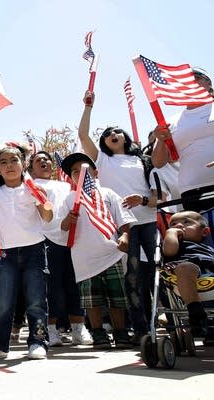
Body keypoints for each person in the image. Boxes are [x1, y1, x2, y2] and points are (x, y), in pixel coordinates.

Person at [79, 91, 158, 344]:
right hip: (125, 226)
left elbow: (158, 193)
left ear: (125, 136)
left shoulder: (143, 160)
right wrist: (88, 107)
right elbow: (82, 135)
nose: (113, 135)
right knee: (132, 277)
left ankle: (164, 322)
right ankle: (140, 329)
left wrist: (143, 200)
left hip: (150, 222)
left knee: (156, 274)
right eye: (107, 134)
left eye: (117, 131)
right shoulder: (102, 159)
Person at [0, 145, 52, 360]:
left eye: (14, 160)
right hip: (3, 253)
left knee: (36, 300)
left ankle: (38, 341)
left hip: (34, 250)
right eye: (3, 162)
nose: (10, 165)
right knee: (3, 301)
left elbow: (47, 217)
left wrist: (40, 198)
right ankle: (0, 344)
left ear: (23, 164)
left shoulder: (33, 189)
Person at [59, 153, 136, 349]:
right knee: (92, 299)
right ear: (71, 178)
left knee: (116, 296)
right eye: (75, 172)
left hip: (112, 252)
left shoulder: (108, 194)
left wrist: (125, 236)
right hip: (85, 257)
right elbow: (61, 228)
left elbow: (124, 219)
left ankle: (120, 331)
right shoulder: (70, 199)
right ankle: (98, 332)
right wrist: (68, 220)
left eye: (85, 169)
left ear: (95, 172)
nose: (80, 174)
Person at [29, 151, 93, 346]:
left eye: (46, 159)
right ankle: (51, 330)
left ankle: (78, 329)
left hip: (72, 240)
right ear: (31, 168)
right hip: (46, 239)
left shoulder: (66, 186)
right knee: (52, 288)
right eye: (38, 160)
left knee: (75, 285)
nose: (44, 162)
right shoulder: (30, 186)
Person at [151, 68, 214, 212]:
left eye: (196, 77)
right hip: (191, 190)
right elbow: (158, 163)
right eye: (184, 79)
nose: (191, 81)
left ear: (208, 83)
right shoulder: (171, 122)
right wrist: (161, 140)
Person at [162, 210, 214, 343]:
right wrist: (171, 233)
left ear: (204, 232)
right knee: (185, 267)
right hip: (183, 272)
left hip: (209, 271)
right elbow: (169, 251)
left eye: (187, 222)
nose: (179, 225)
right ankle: (195, 310)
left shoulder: (208, 248)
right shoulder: (176, 245)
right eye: (173, 224)